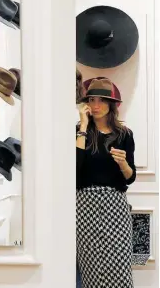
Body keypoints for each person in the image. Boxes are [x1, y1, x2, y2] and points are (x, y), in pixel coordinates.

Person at [76, 77, 136, 288]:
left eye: (101, 100)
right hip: (85, 205)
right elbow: (74, 172)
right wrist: (83, 126)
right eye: (91, 100)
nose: (96, 106)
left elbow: (130, 177)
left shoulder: (124, 135)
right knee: (91, 267)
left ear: (111, 104)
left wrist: (123, 164)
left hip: (115, 205)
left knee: (119, 266)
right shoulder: (78, 132)